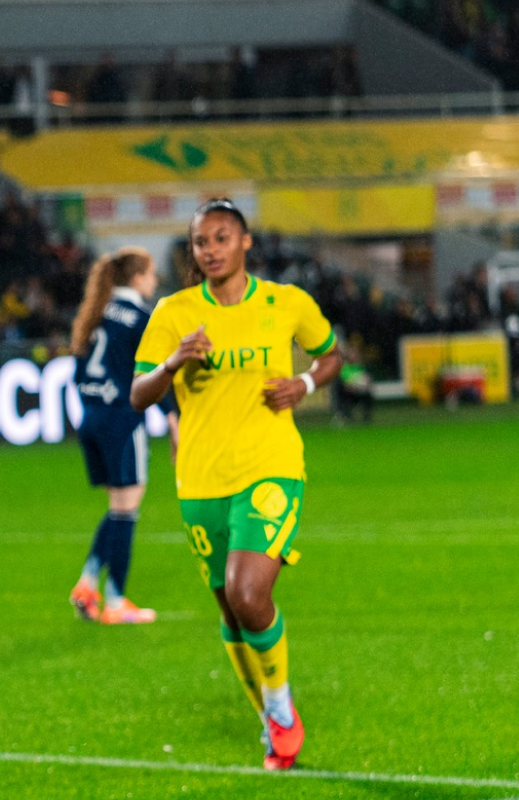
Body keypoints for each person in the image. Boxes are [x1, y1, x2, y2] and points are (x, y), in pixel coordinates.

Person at [130, 199, 340, 771]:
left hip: (270, 466)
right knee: (229, 611)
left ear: (245, 242)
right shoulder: (174, 313)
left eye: (222, 237)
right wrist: (172, 363)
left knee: (249, 596)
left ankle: (280, 706)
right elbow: (138, 394)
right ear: (193, 252)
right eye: (202, 242)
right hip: (200, 479)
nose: (212, 249)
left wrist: (303, 383)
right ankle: (270, 719)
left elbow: (331, 355)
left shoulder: (286, 303)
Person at [66, 247, 165, 625]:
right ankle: (115, 600)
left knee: (118, 507)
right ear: (138, 278)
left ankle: (88, 583)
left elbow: (78, 371)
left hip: (91, 417)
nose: (154, 281)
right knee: (127, 509)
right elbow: (155, 373)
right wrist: (172, 417)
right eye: (151, 273)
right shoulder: (141, 317)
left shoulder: (95, 312)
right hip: (122, 419)